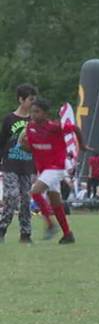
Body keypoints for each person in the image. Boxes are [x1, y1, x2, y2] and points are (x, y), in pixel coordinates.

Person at [19, 97, 88, 244]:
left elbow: (75, 128)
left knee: (35, 192)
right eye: (32, 112)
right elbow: (31, 148)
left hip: (56, 167)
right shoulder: (30, 128)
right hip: (44, 170)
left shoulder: (54, 127)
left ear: (45, 113)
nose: (33, 114)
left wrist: (82, 145)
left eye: (37, 112)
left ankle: (50, 224)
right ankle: (68, 234)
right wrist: (23, 145)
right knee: (56, 202)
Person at [0, 84, 38, 243]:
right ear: (21, 99)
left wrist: (37, 167)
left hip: (27, 166)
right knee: (12, 196)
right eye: (30, 99)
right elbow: (2, 142)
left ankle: (25, 233)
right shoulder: (10, 119)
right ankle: (2, 227)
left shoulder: (35, 120)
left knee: (26, 199)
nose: (32, 103)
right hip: (10, 164)